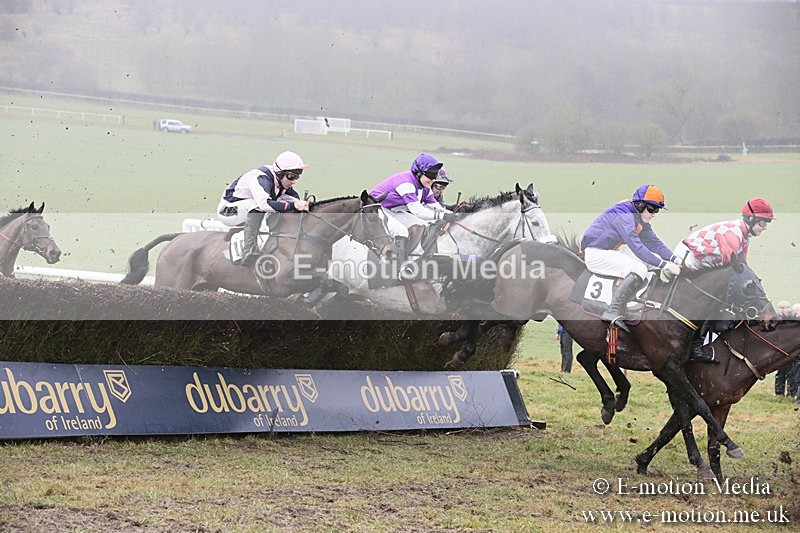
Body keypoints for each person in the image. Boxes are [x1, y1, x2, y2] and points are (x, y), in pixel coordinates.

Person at [674, 198, 776, 364]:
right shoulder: (733, 232)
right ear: (751, 219)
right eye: (763, 224)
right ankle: (696, 345)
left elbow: (743, 267)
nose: (764, 228)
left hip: (705, 262)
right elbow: (732, 265)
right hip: (689, 259)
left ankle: (706, 342)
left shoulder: (744, 236)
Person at [581, 184, 681, 333]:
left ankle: (637, 302)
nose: (654, 214)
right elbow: (637, 248)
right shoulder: (624, 216)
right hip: (596, 254)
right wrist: (665, 266)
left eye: (657, 210)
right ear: (640, 205)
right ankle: (612, 311)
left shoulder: (637, 217)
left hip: (609, 251)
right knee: (639, 268)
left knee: (648, 262)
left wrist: (676, 259)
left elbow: (655, 244)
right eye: (652, 209)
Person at [217, 151, 310, 266]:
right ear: (279, 173)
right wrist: (293, 206)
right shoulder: (261, 178)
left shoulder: (282, 184)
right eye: (291, 176)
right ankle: (247, 250)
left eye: (297, 177)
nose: (293, 181)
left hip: (244, 210)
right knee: (260, 205)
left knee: (281, 205)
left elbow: (297, 202)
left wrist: (304, 206)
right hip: (228, 210)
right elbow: (264, 204)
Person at [370, 154, 454, 261]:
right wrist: (444, 216)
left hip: (392, 210)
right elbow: (417, 211)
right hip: (375, 209)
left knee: (423, 225)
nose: (432, 181)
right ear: (419, 173)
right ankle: (399, 267)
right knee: (401, 231)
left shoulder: (425, 187)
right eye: (430, 176)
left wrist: (454, 215)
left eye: (434, 177)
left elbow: (436, 207)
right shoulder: (406, 182)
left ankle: (421, 258)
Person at [774, 300, 799, 397]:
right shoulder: (776, 320)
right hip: (780, 350)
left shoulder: (793, 319)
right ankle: (779, 392)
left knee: (792, 372)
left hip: (791, 350)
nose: (783, 310)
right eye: (781, 308)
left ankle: (791, 392)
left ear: (789, 308)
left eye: (785, 308)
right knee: (781, 372)